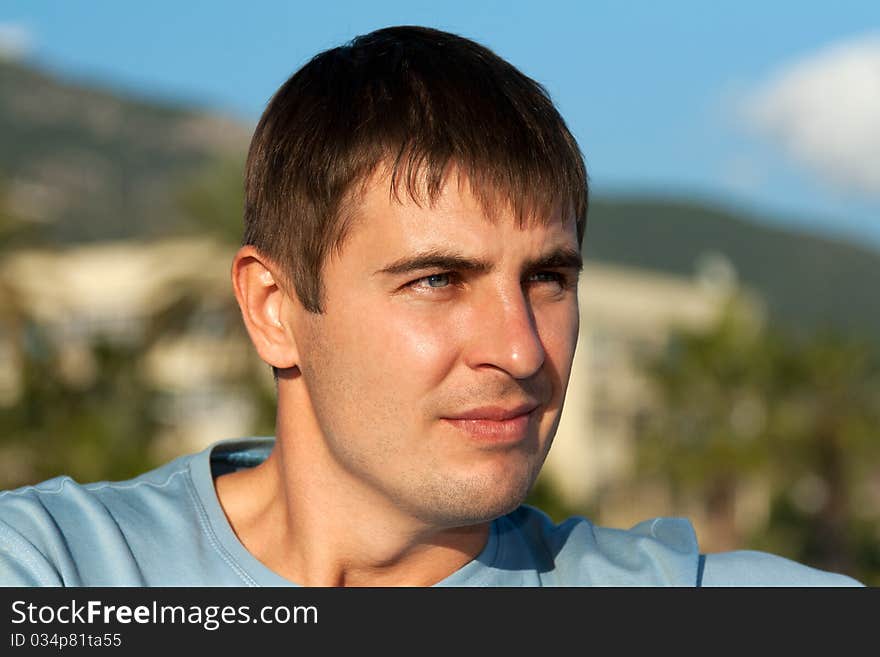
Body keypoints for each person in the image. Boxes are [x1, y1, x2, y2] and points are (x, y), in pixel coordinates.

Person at [0, 25, 863, 587]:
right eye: (437, 280)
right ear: (273, 307)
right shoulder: (67, 571)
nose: (521, 351)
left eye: (547, 278)